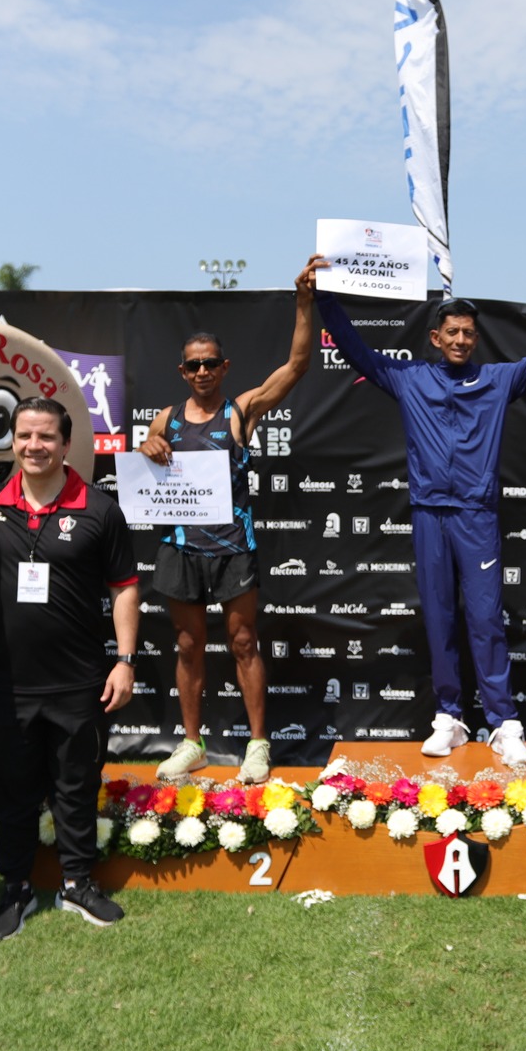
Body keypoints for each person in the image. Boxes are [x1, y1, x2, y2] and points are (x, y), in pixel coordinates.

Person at [317, 272, 526, 767]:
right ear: (435, 338)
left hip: (476, 516)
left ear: (476, 339)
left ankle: (504, 724)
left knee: (485, 619)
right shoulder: (410, 379)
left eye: (468, 333)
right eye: (452, 332)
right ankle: (450, 718)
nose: (460, 340)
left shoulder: (497, 380)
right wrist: (323, 297)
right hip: (429, 514)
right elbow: (354, 349)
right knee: (439, 618)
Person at [0, 397, 141, 940]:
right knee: (12, 790)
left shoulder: (99, 508)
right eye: (24, 436)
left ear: (67, 445)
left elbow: (124, 588)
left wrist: (125, 660)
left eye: (46, 437)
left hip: (80, 681)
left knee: (75, 786)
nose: (33, 446)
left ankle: (76, 882)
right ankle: (15, 887)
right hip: (5, 682)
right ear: (12, 440)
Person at [140, 256, 317, 782]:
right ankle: (192, 743)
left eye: (210, 364)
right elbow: (148, 466)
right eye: (193, 365)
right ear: (181, 371)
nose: (201, 372)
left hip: (232, 546)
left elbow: (297, 366)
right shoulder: (165, 419)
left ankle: (257, 746)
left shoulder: (241, 410)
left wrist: (305, 303)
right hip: (180, 547)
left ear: (224, 367)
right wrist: (149, 446)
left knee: (243, 643)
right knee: (189, 646)